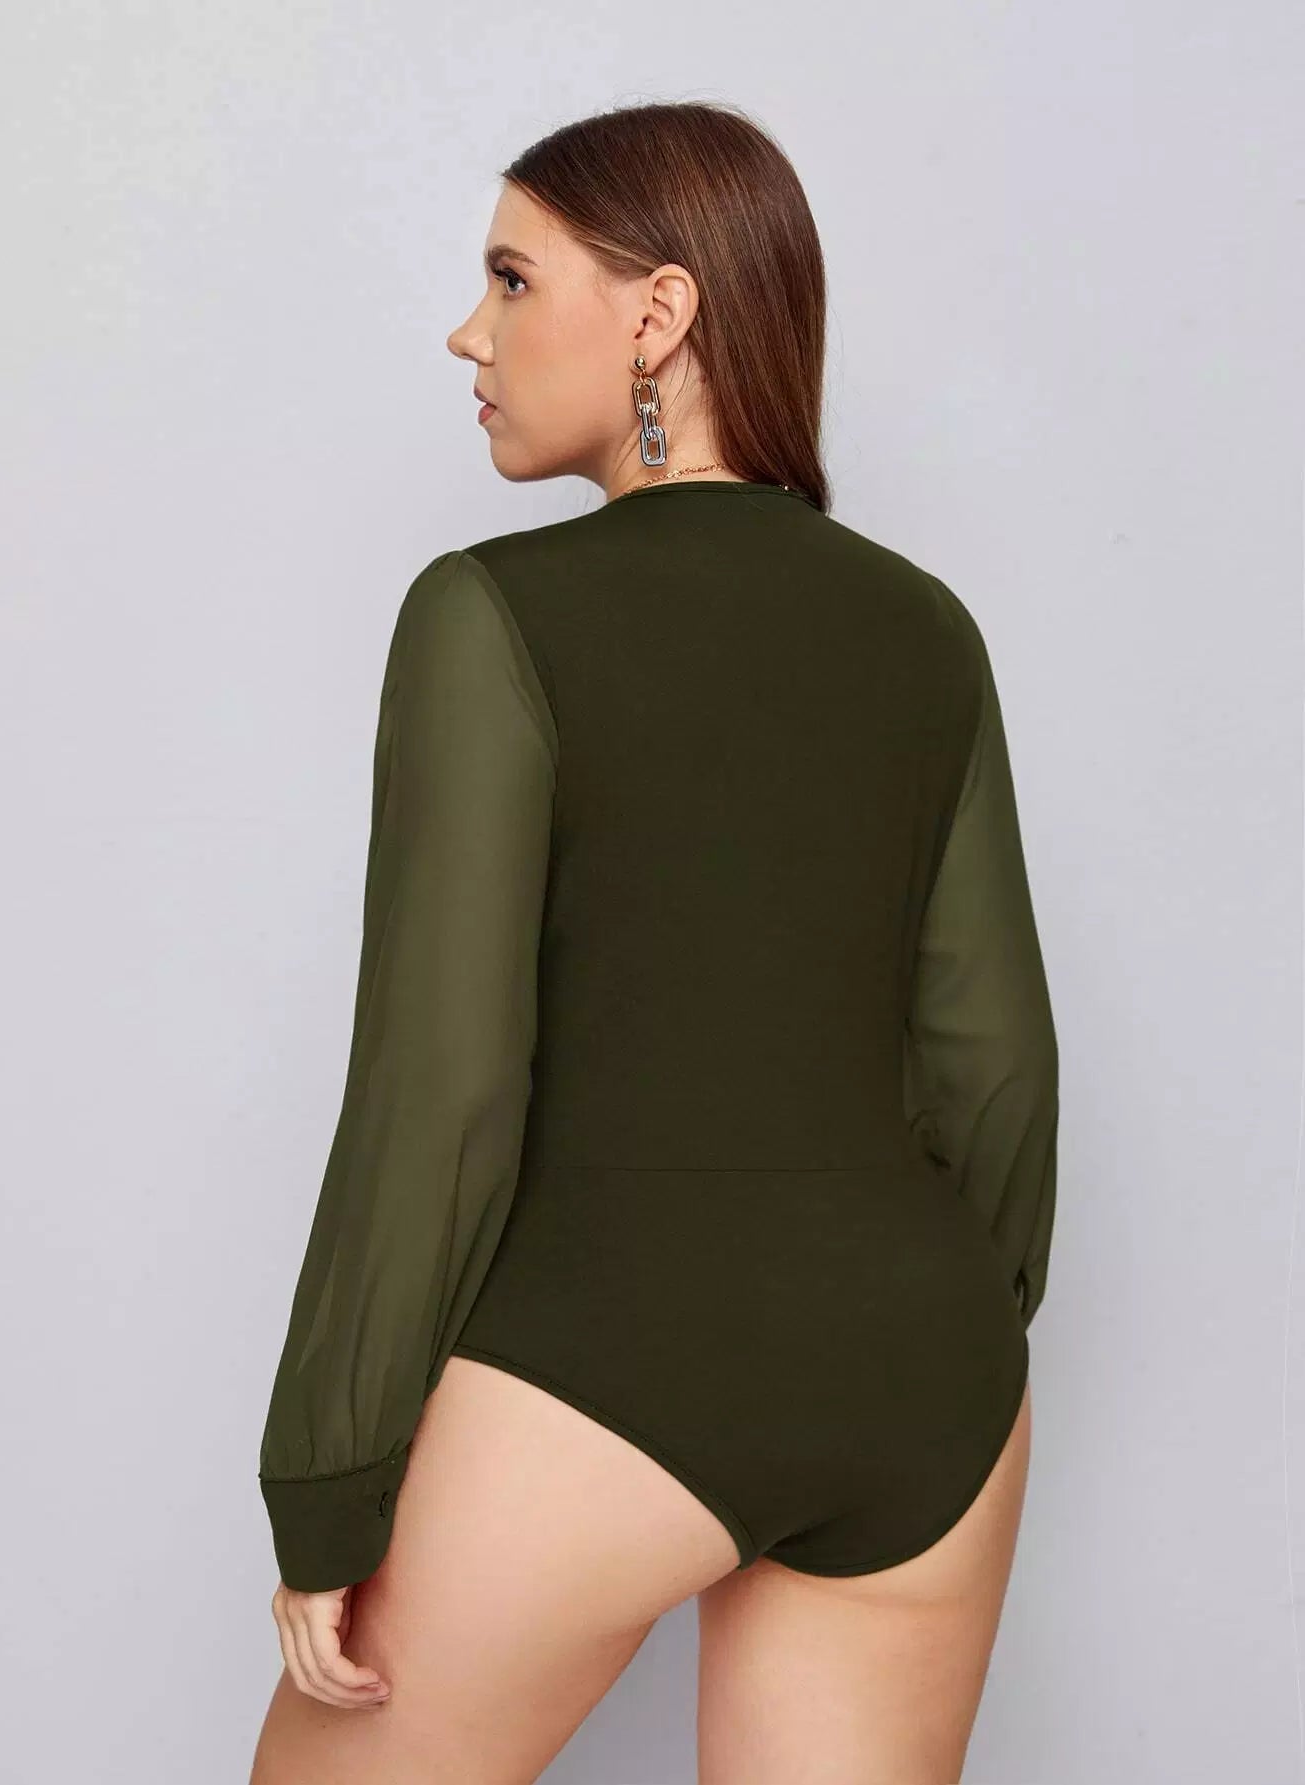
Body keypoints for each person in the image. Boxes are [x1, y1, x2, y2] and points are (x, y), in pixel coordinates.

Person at [249, 98, 1059, 1785]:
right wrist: (917, 1332)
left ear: (658, 315)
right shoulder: (927, 631)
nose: (469, 333)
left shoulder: (491, 615)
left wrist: (329, 1472)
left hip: (611, 1350)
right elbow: (993, 1062)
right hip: (927, 1377)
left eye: (510, 279)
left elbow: (442, 1094)